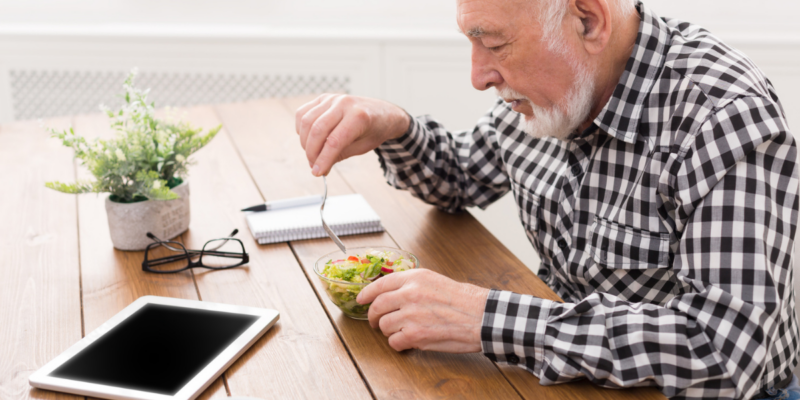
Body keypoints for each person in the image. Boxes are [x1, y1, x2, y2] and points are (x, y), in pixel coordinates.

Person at [294, 0, 800, 398]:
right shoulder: (554, 95)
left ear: (586, 19)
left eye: (493, 43)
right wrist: (394, 125)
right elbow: (458, 176)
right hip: (575, 381)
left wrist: (485, 318)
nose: (478, 76)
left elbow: (729, 350)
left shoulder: (723, 116)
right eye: (472, 41)